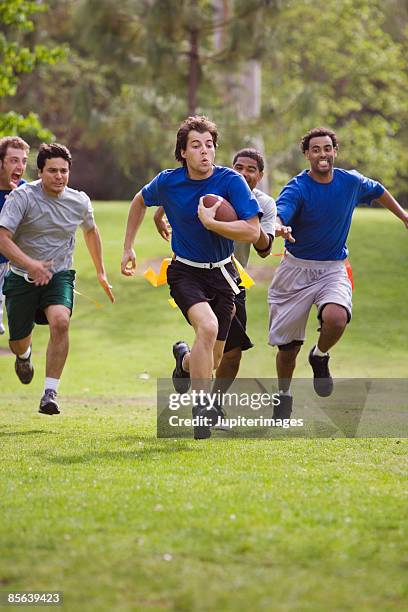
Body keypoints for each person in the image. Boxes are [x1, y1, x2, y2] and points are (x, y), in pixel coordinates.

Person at [121, 116, 261, 439]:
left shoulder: (231, 182)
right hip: (184, 271)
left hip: (224, 274)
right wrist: (128, 247)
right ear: (183, 152)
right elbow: (140, 201)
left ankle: (183, 359)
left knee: (209, 359)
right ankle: (201, 409)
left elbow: (252, 230)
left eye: (209, 145)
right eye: (196, 146)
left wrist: (214, 224)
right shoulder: (169, 182)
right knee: (208, 327)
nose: (204, 152)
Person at [268, 127, 408, 417]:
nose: (323, 154)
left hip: (333, 268)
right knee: (287, 349)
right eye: (316, 149)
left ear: (335, 151)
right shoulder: (297, 187)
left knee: (337, 318)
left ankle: (320, 356)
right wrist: (280, 226)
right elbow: (282, 211)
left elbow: (379, 190)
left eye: (327, 148)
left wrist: (404, 216)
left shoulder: (350, 181)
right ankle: (283, 395)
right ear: (307, 154)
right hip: (295, 271)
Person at [154, 148, 279, 402]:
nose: (243, 173)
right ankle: (206, 406)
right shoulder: (214, 190)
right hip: (194, 272)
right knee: (208, 334)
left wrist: (260, 229)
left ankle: (186, 363)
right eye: (238, 167)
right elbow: (171, 196)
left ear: (261, 175)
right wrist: (159, 216)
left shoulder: (264, 204)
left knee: (228, 355)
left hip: (232, 279)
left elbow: (265, 250)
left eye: (251, 169)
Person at [0, 143, 114, 415]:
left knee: (61, 322)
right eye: (52, 171)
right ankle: (24, 356)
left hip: (59, 275)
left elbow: (90, 230)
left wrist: (100, 271)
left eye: (64, 171)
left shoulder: (79, 201)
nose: (59, 176)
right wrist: (31, 264)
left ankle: (50, 392)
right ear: (40, 172)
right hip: (21, 277)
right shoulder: (22, 197)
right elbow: (2, 239)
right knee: (18, 341)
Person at [0, 137, 30, 335]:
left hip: (11, 266)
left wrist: (18, 199)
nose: (20, 166)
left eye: (24, 161)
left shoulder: (25, 190)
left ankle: (23, 354)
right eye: (13, 160)